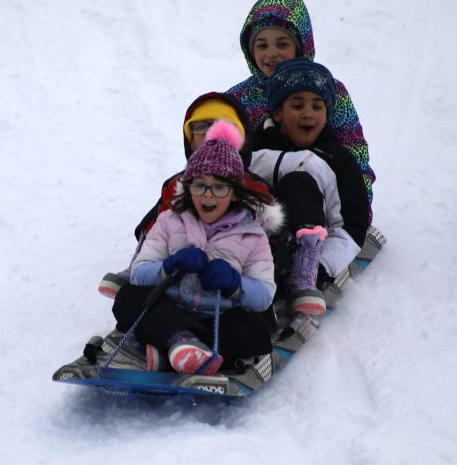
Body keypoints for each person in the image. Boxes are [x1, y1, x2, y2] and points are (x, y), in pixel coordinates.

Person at [111, 121, 284, 375]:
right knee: (128, 298)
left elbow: (264, 295)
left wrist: (235, 285)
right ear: (188, 186)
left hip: (220, 318)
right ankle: (182, 343)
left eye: (219, 186)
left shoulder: (253, 234)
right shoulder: (170, 220)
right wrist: (169, 266)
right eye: (199, 185)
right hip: (172, 311)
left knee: (257, 330)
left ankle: (172, 350)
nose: (208, 195)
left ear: (234, 192)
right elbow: (139, 272)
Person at [225, 0, 377, 220]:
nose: (272, 53)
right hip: (255, 205)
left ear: (300, 44)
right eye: (262, 45)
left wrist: (359, 213)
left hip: (317, 204)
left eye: (282, 44)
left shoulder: (326, 90)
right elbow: (220, 154)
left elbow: (354, 155)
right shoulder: (239, 98)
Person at [248, 58, 365, 316]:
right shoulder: (253, 149)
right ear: (277, 113)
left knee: (298, 182)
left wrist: (321, 267)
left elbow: (351, 225)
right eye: (297, 105)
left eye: (317, 106)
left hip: (304, 256)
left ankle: (302, 274)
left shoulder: (337, 159)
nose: (308, 113)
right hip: (254, 250)